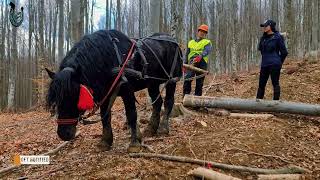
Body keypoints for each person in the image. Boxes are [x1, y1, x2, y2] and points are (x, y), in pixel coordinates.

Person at [256, 20, 288, 100]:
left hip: (275, 65)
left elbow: (284, 52)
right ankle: (257, 105)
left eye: (266, 26)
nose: (264, 27)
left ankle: (275, 105)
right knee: (261, 85)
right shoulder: (263, 38)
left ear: (271, 27)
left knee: (275, 84)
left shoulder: (278, 37)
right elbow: (261, 50)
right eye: (263, 26)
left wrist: (279, 62)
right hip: (264, 65)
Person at [183, 24, 212, 97]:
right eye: (201, 31)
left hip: (202, 62)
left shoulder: (207, 42)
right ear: (198, 32)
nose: (202, 33)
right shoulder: (191, 42)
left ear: (206, 34)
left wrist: (200, 56)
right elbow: (187, 54)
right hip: (191, 61)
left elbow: (207, 51)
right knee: (187, 79)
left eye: (204, 32)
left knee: (199, 82)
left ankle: (197, 101)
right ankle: (185, 97)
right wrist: (184, 65)